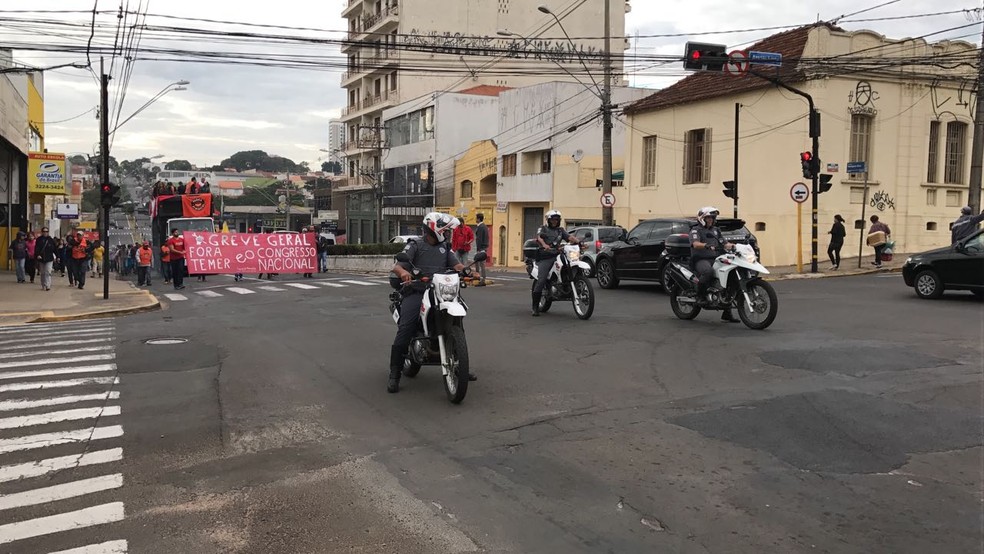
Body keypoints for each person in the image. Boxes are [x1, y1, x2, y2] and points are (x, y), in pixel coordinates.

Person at [388, 212, 468, 393]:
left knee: (458, 322)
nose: (448, 234)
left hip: (440, 290)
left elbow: (456, 266)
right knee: (406, 328)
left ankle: (461, 365)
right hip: (417, 290)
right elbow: (397, 265)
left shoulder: (445, 248)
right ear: (435, 229)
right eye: (446, 231)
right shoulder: (415, 245)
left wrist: (468, 271)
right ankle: (394, 374)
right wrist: (404, 273)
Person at [689, 206, 739, 323]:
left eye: (712, 218)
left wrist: (734, 246)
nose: (710, 220)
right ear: (702, 218)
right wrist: (705, 245)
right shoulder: (696, 230)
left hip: (716, 258)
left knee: (732, 277)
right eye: (708, 218)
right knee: (708, 272)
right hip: (701, 259)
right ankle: (700, 296)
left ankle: (727, 312)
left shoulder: (716, 230)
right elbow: (695, 244)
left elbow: (724, 243)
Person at [531, 210, 580, 317]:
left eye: (557, 220)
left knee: (570, 265)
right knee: (542, 279)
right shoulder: (543, 228)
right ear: (548, 220)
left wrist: (579, 242)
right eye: (553, 219)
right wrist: (544, 245)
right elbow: (539, 237)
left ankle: (567, 285)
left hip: (558, 254)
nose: (555, 221)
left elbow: (569, 237)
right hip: (546, 256)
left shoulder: (560, 230)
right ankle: (535, 307)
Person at [34, 226, 57, 291]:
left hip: (49, 258)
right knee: (43, 273)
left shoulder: (51, 240)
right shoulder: (39, 240)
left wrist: (57, 257)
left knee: (48, 272)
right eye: (44, 231)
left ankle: (48, 285)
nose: (45, 233)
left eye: (46, 231)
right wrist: (37, 255)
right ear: (42, 232)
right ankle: (43, 284)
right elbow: (36, 248)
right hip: (41, 259)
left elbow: (55, 249)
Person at [474, 213, 489, 286]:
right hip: (484, 247)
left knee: (481, 263)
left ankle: (481, 278)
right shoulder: (484, 227)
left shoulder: (481, 227)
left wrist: (479, 249)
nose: (475, 219)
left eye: (476, 218)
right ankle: (480, 277)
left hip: (481, 248)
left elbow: (479, 239)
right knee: (479, 263)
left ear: (479, 219)